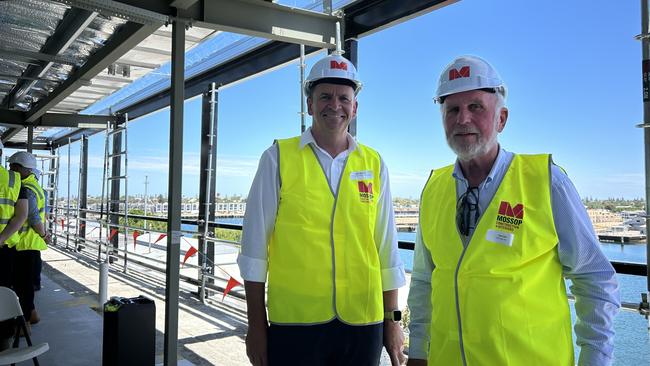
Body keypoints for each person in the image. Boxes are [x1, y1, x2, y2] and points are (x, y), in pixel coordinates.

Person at [407, 55, 620, 366]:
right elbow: (425, 280)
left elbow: (595, 278)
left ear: (501, 119)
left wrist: (595, 361)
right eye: (452, 109)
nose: (462, 119)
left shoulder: (547, 181)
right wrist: (417, 351)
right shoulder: (433, 188)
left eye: (475, 107)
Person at [238, 54, 406, 366]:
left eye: (344, 98)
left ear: (355, 108)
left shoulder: (374, 163)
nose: (335, 105)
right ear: (310, 104)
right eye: (325, 96)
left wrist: (393, 321)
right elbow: (254, 252)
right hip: (295, 324)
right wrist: (256, 325)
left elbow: (388, 252)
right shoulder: (277, 158)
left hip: (363, 324)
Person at [8, 151, 49, 327]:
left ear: (25, 170)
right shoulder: (34, 186)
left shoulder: (26, 189)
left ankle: (24, 323)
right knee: (26, 284)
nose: (11, 170)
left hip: (24, 243)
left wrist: (43, 234)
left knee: (22, 286)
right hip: (30, 244)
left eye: (14, 167)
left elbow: (33, 218)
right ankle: (32, 314)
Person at [0, 141, 28, 347]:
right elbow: (21, 216)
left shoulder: (14, 179)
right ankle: (4, 345)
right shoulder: (14, 180)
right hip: (4, 249)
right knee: (3, 296)